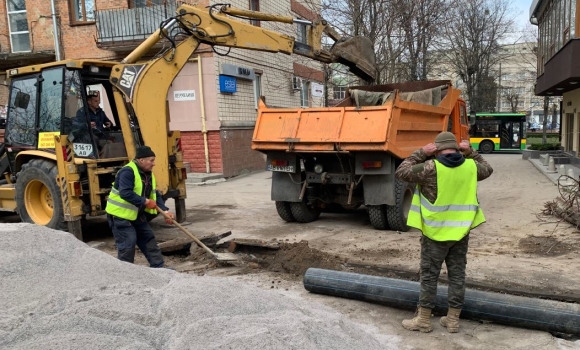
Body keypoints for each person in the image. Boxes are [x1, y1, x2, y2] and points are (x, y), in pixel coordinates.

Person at [395, 131, 493, 333]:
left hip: (435, 234)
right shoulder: (471, 166)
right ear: (458, 149)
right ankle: (453, 320)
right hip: (461, 232)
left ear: (437, 150)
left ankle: (423, 320)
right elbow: (488, 169)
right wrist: (472, 152)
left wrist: (421, 152)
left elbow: (401, 172)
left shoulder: (431, 167)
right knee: (457, 275)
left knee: (430, 276)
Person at [105, 146, 176, 268]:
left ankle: (159, 267)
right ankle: (125, 272)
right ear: (141, 160)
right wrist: (145, 201)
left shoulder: (148, 174)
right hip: (120, 215)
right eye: (151, 160)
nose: (154, 164)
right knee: (128, 243)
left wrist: (165, 211)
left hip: (137, 214)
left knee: (148, 239)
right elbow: (125, 193)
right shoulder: (127, 172)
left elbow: (155, 194)